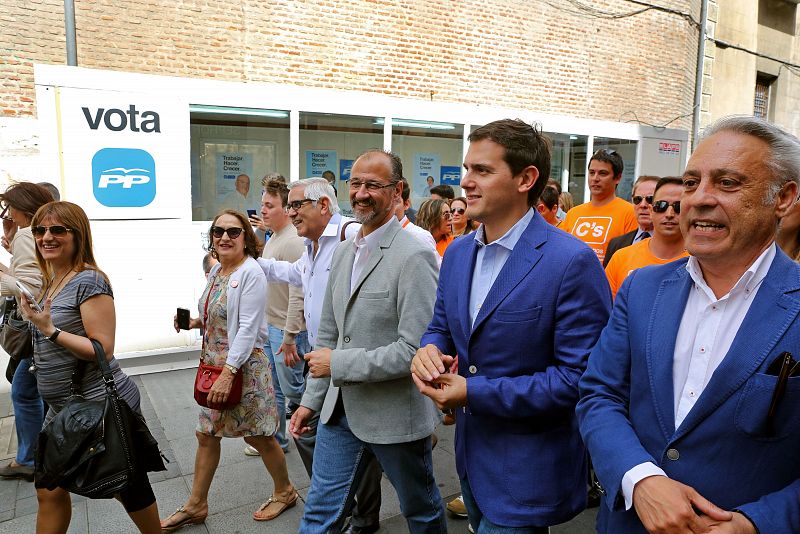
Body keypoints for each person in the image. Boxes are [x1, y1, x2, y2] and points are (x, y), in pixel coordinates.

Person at [577, 116, 800, 534]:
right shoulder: (642, 287)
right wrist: (641, 479)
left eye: (728, 183)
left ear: (783, 198)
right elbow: (598, 394)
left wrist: (757, 523)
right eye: (692, 181)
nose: (698, 199)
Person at [411, 119, 611, 532]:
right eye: (467, 169)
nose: (466, 182)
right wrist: (427, 351)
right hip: (470, 460)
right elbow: (441, 327)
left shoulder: (571, 262)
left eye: (482, 171)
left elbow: (580, 380)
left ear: (526, 179)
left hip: (527, 472)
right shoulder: (459, 253)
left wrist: (474, 391)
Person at [293, 149, 445, 533]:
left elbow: (414, 351)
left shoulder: (415, 255)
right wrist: (311, 400)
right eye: (356, 183)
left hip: (394, 415)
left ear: (396, 193)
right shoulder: (344, 251)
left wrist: (338, 365)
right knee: (319, 515)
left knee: (421, 511)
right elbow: (328, 334)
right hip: (339, 411)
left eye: (373, 185)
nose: (361, 192)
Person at [19, 201, 161, 533]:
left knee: (125, 483)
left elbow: (102, 347)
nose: (46, 237)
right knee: (49, 489)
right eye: (40, 230)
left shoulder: (89, 281)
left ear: (77, 234)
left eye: (57, 230)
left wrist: (50, 330)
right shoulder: (51, 279)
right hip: (63, 407)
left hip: (96, 403)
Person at [256, 178, 383, 532]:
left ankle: (357, 511)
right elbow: (295, 276)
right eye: (290, 206)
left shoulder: (351, 235)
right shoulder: (310, 246)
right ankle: (348, 507)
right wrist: (251, 261)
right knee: (321, 430)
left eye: (297, 205)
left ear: (324, 206)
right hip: (322, 353)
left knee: (356, 437)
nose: (291, 212)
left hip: (352, 356)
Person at [161, 210, 297, 531]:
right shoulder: (217, 272)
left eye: (233, 232)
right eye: (218, 231)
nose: (224, 237)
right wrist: (194, 322)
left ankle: (286, 491)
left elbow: (248, 328)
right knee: (206, 434)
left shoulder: (251, 272)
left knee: (259, 435)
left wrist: (229, 373)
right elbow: (221, 315)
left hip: (243, 368)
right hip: (216, 366)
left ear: (246, 239)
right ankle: (197, 504)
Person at [244, 179, 309, 457]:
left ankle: (325, 431)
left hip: (287, 331)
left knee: (295, 391)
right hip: (274, 326)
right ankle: (278, 442)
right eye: (262, 205)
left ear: (286, 209)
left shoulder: (294, 242)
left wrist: (290, 334)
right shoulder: (274, 236)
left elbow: (298, 292)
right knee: (276, 392)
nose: (264, 211)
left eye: (270, 206)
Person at [0, 182, 53, 482]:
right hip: (49, 325)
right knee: (33, 389)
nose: (7, 213)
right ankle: (37, 453)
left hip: (38, 328)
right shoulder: (44, 230)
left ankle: (31, 458)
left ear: (20, 206)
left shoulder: (27, 233)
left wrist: (2, 276)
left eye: (9, 206)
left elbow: (29, 288)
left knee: (23, 390)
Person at [605, 177, 688, 299]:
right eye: (661, 206)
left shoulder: (702, 261)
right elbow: (607, 310)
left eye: (678, 207)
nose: (669, 214)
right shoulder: (621, 257)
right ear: (652, 210)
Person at [562, 149, 637, 263]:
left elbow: (631, 258)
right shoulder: (573, 213)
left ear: (617, 178)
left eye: (603, 173)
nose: (595, 178)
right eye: (592, 172)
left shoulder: (630, 212)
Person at [603, 176, 660, 267]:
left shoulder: (677, 245)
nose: (643, 205)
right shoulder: (616, 244)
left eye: (650, 199)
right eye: (638, 199)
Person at [397, 178, 438, 256]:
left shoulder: (421, 237)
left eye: (394, 202)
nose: (387, 208)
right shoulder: (371, 235)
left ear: (406, 204)